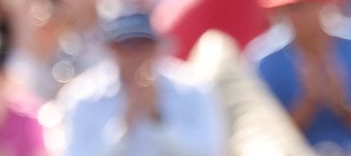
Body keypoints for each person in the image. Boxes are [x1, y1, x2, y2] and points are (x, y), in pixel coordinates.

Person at [249, 0, 351, 155]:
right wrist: (308, 103)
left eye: (298, 7)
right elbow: (264, 137)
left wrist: (343, 105)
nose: (290, 17)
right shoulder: (265, 60)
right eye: (283, 9)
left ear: (323, 4)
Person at [55, 10, 227, 156]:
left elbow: (209, 150)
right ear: (111, 49)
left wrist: (156, 118)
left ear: (156, 47)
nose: (135, 55)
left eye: (143, 45)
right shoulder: (82, 96)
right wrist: (123, 125)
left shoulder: (192, 89)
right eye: (126, 46)